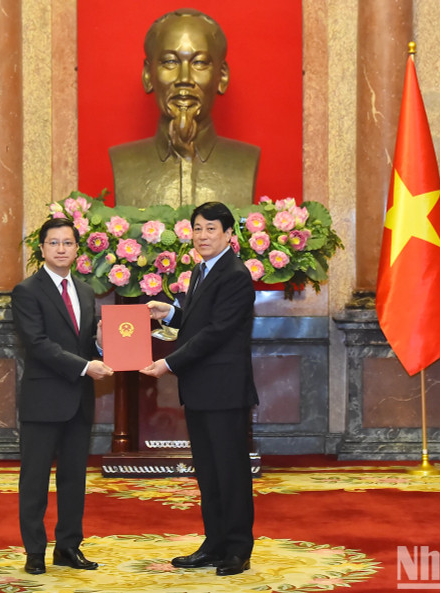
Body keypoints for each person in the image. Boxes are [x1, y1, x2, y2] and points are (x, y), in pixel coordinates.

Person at [141, 201, 258, 576]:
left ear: (228, 235)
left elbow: (217, 332)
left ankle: (238, 548)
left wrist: (169, 363)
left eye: (211, 229)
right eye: (197, 228)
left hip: (224, 391)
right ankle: (214, 543)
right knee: (208, 471)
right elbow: (197, 321)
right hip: (202, 389)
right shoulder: (200, 271)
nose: (203, 235)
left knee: (231, 471)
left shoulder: (235, 274)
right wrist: (170, 313)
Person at [11, 217, 114, 575]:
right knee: (35, 481)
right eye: (53, 243)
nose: (60, 249)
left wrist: (101, 344)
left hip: (78, 401)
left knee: (74, 479)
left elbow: (85, 343)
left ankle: (68, 547)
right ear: (41, 248)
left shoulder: (85, 292)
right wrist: (87, 367)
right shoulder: (27, 291)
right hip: (44, 401)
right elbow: (38, 345)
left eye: (67, 243)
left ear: (76, 249)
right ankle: (35, 552)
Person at [109, 8, 259, 208]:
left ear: (222, 76)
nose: (184, 79)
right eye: (170, 62)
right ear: (148, 75)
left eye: (199, 63)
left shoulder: (245, 161)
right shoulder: (124, 162)